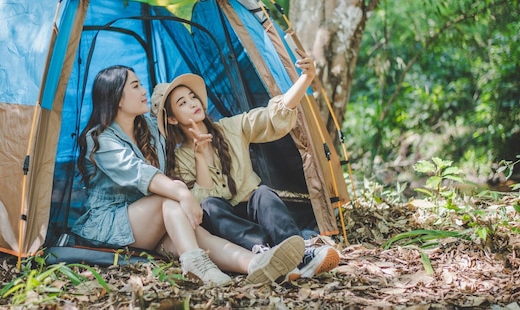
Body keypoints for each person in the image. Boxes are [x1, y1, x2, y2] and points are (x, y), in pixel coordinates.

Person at [70, 65, 304, 287]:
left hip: (151, 222)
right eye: (135, 86)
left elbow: (167, 115)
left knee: (196, 234)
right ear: (117, 98)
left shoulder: (150, 128)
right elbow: (140, 173)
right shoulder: (101, 139)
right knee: (170, 198)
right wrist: (182, 192)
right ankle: (196, 265)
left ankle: (256, 264)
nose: (143, 91)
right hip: (112, 224)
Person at [153, 51, 340, 281]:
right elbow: (201, 207)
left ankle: (300, 254)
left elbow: (271, 118)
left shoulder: (231, 128)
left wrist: (305, 79)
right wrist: (200, 156)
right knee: (211, 205)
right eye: (182, 103)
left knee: (262, 193)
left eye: (193, 97)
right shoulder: (180, 158)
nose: (193, 104)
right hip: (227, 232)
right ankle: (266, 257)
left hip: (254, 214)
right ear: (172, 119)